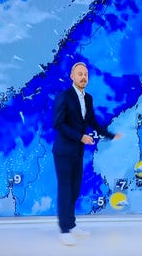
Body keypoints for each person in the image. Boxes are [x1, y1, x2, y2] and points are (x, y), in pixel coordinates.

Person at [52, 62, 121, 245]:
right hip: (63, 152)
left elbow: (92, 122)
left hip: (77, 152)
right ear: (72, 76)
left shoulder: (88, 98)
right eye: (80, 74)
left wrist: (110, 135)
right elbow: (58, 124)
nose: (83, 77)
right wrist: (80, 137)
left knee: (75, 189)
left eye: (85, 75)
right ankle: (64, 230)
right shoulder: (64, 97)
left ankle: (71, 224)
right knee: (65, 189)